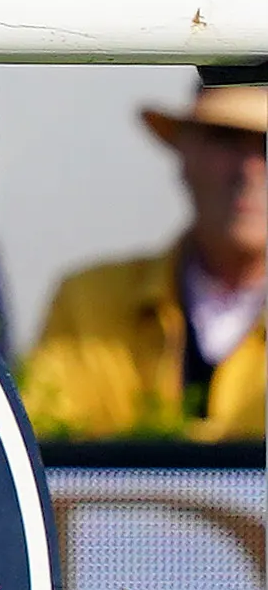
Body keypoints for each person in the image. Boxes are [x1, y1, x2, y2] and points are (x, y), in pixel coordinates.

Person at [25, 65, 268, 440]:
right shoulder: (87, 302)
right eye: (227, 138)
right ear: (184, 152)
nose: (249, 170)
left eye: (266, 146)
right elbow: (39, 460)